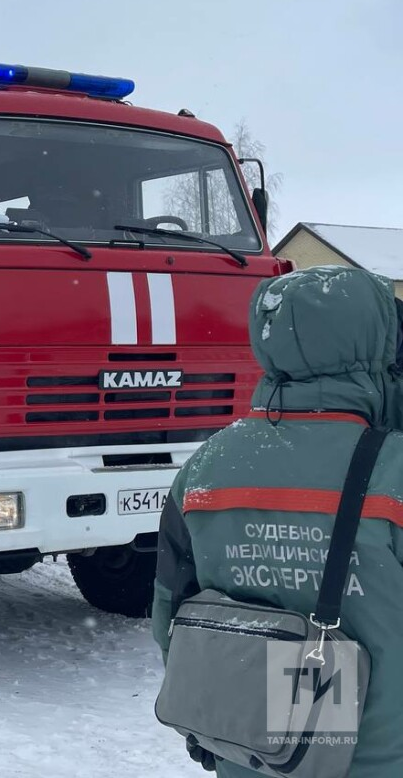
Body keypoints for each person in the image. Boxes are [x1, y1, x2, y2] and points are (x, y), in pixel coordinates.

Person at [153, 265, 403, 776]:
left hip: (259, 751)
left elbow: (169, 617)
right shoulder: (393, 468)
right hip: (380, 757)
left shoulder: (208, 463)